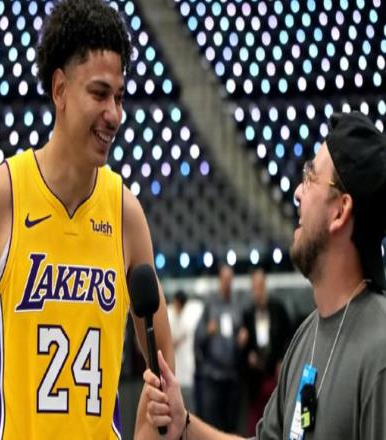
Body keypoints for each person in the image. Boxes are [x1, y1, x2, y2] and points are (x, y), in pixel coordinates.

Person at [0, 1, 174, 439]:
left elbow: (162, 355)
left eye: (119, 97)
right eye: (99, 94)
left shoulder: (125, 212)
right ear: (60, 89)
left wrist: (147, 430)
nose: (114, 114)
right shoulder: (0, 196)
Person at [142, 111, 386, 440]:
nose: (298, 192)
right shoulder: (306, 335)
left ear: (340, 211)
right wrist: (183, 423)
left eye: (311, 177)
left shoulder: (379, 352)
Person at [194, 265, 247, 432]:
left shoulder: (237, 305)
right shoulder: (210, 305)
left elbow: (242, 331)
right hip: (213, 376)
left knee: (231, 427)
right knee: (212, 427)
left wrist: (242, 337)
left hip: (232, 376)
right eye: (224, 279)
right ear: (219, 280)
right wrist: (207, 331)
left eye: (230, 280)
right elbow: (197, 338)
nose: (227, 283)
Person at [242, 268, 291, 435]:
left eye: (260, 286)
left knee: (277, 422)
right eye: (255, 287)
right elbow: (243, 350)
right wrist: (246, 352)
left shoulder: (279, 310)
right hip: (255, 380)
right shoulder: (247, 314)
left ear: (265, 286)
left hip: (275, 376)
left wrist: (282, 359)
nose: (258, 291)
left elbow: (289, 337)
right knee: (255, 425)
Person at [168, 290, 197, 412]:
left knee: (188, 411)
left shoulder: (187, 317)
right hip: (172, 374)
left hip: (186, 374)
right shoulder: (167, 315)